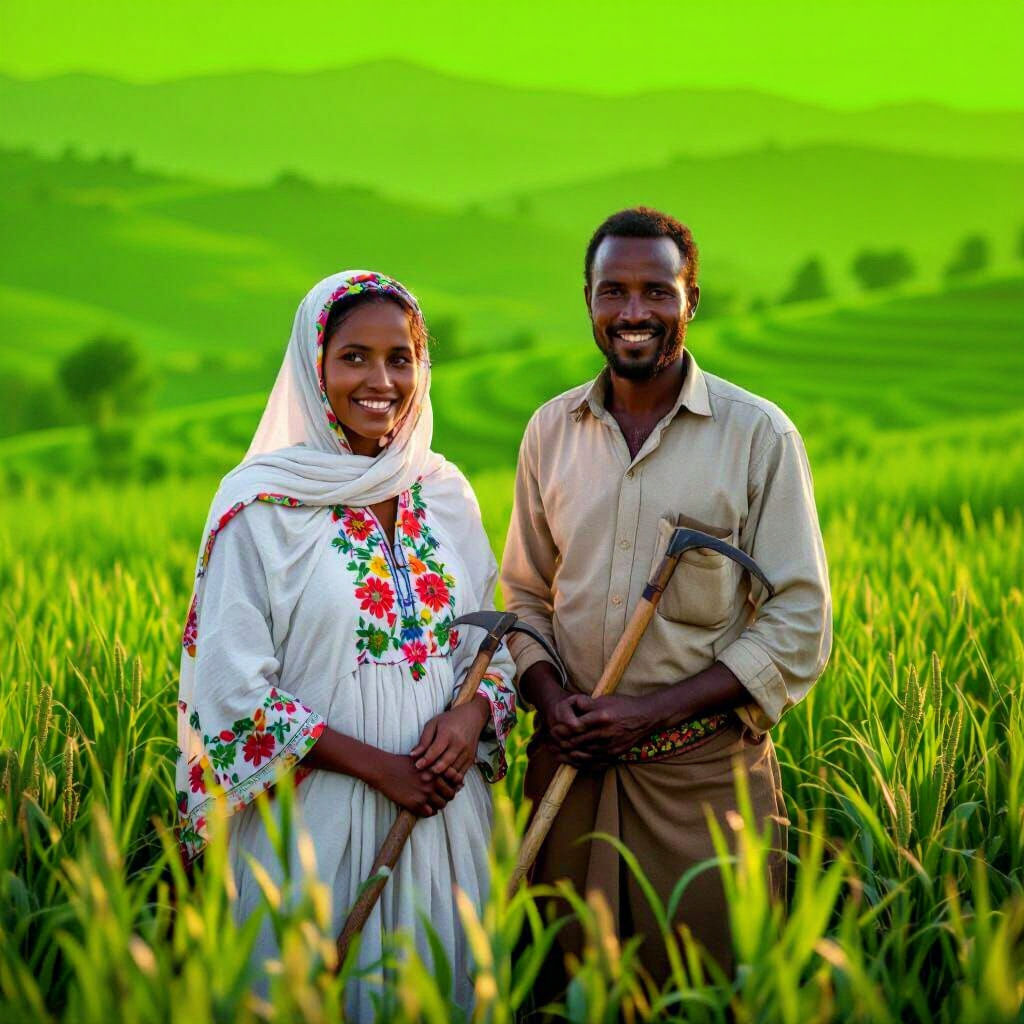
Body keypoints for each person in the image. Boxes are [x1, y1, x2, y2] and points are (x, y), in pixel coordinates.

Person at [500, 207, 831, 988]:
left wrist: (653, 711)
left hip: (701, 784)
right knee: (562, 989)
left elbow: (799, 622)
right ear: (588, 301)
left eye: (657, 290)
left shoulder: (758, 435)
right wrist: (549, 698)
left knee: (701, 990)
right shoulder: (551, 431)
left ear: (692, 301)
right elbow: (522, 591)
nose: (633, 313)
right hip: (568, 776)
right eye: (613, 292)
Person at [174, 270, 517, 1017]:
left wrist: (468, 720)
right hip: (313, 826)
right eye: (354, 357)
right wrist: (380, 769)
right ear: (313, 366)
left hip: (439, 820)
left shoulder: (446, 494)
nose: (381, 380)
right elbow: (233, 690)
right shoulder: (260, 506)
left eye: (401, 358)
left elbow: (494, 647)